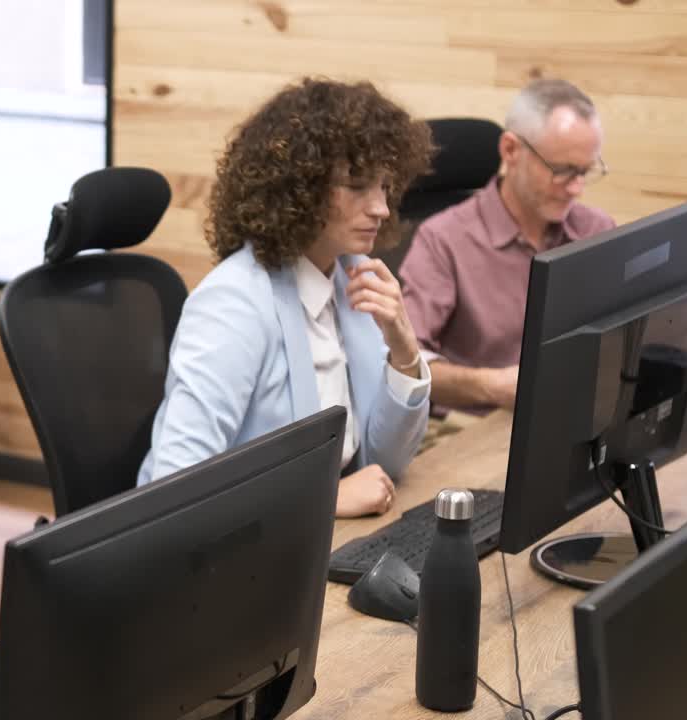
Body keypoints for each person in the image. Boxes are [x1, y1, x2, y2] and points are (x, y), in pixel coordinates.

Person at [137, 78, 434, 519]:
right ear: (300, 188)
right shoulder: (233, 305)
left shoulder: (350, 276)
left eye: (384, 187)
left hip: (315, 538)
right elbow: (173, 492)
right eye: (357, 186)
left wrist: (404, 350)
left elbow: (382, 466)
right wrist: (323, 500)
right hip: (230, 560)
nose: (381, 208)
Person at [400, 79, 615, 413]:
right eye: (562, 171)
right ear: (511, 150)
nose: (576, 189)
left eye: (585, 172)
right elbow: (407, 364)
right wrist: (490, 385)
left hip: (568, 413)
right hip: (478, 423)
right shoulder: (443, 240)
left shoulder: (595, 230)